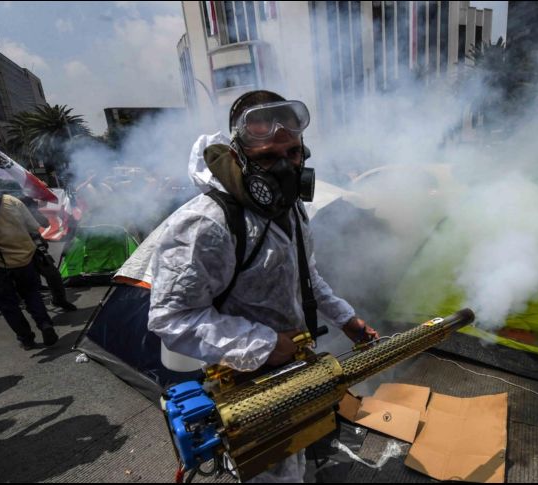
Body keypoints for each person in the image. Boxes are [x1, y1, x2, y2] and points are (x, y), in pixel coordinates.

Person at [148, 90, 378, 483]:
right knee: (271, 473)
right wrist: (265, 345)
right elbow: (171, 316)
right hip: (244, 377)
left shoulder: (290, 210)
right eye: (268, 158)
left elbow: (306, 277)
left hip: (293, 364)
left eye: (292, 154)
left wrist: (348, 320)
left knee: (297, 451)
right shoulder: (206, 224)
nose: (285, 168)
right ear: (238, 157)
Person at [0, 192, 59, 350]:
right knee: (31, 294)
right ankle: (44, 324)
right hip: (25, 258)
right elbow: (32, 226)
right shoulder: (11, 201)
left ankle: (26, 338)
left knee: (8, 305)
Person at [17, 195, 77, 312]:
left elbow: (44, 223)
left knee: (53, 274)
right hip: (16, 251)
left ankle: (59, 299)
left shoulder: (27, 210)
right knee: (24, 281)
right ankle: (26, 301)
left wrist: (32, 214)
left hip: (36, 248)